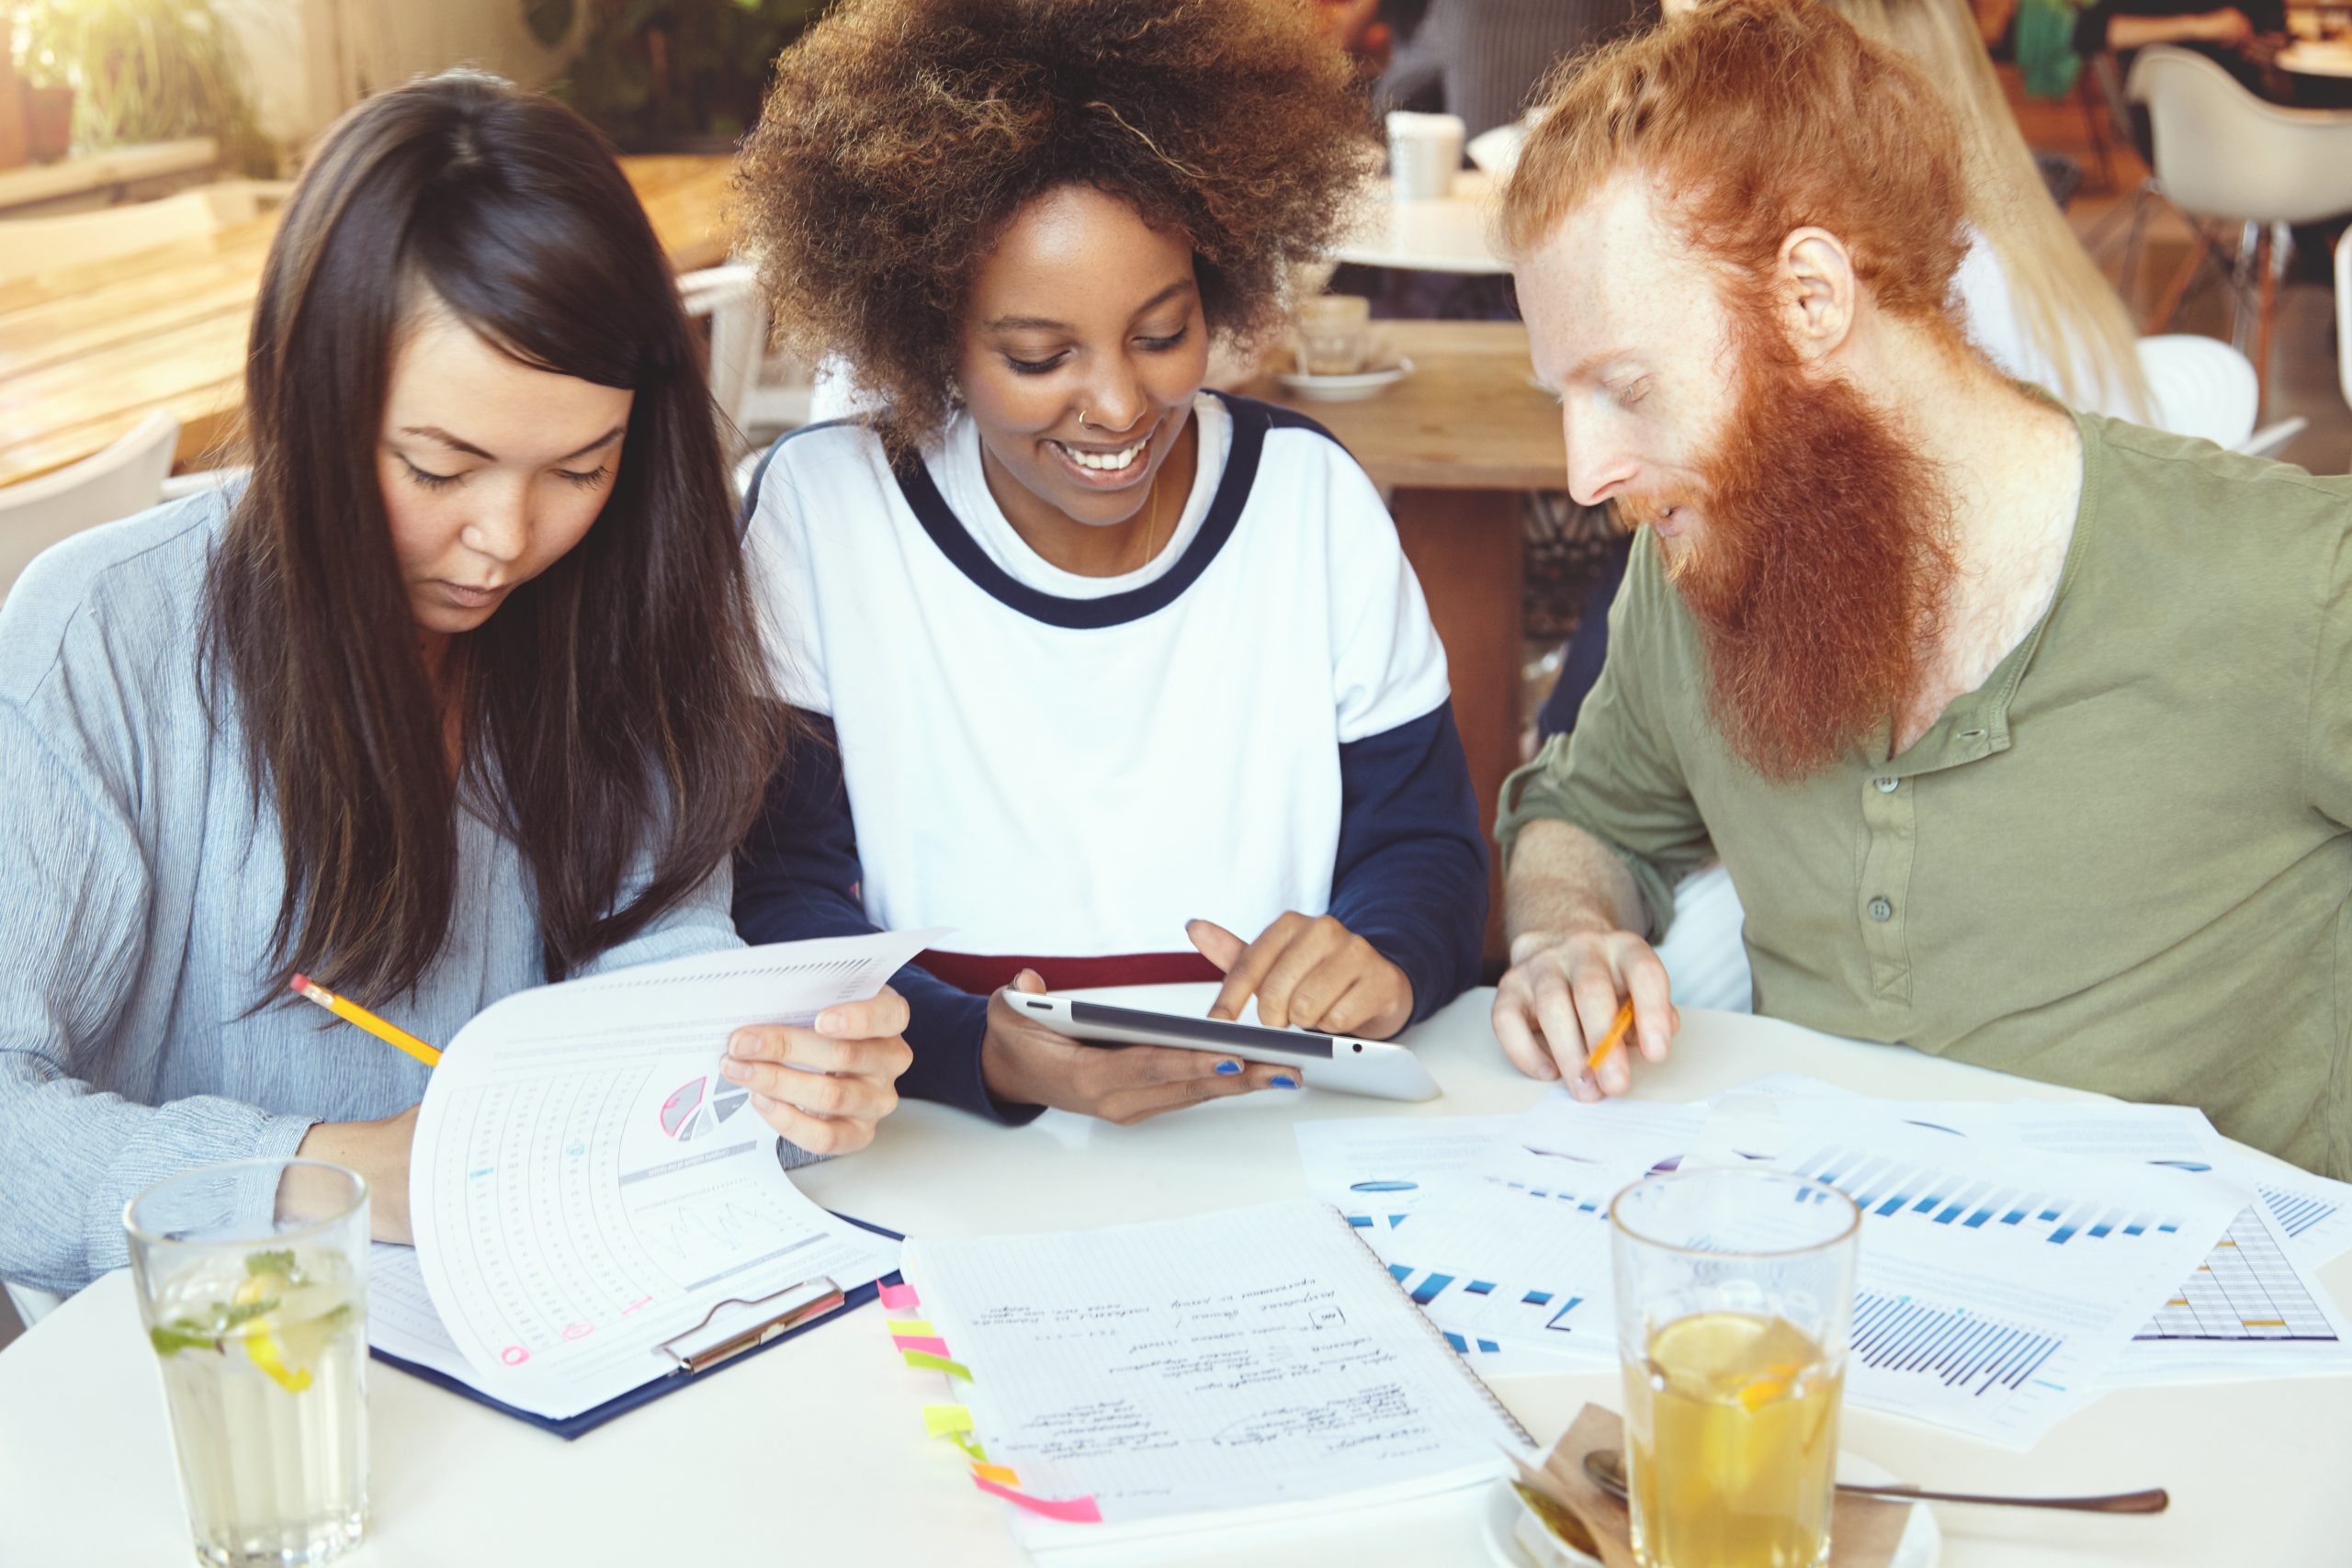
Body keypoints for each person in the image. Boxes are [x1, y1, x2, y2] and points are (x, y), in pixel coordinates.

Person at [0, 73, 913, 1298]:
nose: (506, 538)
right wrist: (324, 1174)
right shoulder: (103, 634)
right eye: (439, 469)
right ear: (312, 397)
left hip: (526, 1331)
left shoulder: (620, 615)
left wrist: (768, 1081)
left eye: (580, 467)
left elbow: (651, 1004)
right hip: (202, 1379)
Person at [1489, 0, 2352, 1179]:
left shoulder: (2289, 585)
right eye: (1564, 401)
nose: (1586, 475)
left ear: (1809, 299)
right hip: (1829, 1314)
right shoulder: (1693, 571)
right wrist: (1563, 935)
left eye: (1625, 389)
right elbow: (1582, 816)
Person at [729, 0, 1489, 1128]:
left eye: (1161, 333)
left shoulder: (1306, 501)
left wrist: (1382, 958)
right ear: (931, 328)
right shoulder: (822, 514)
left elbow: (1425, 847)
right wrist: (980, 1053)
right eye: (1039, 356)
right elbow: (778, 896)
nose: (1121, 406)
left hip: (1272, 1139)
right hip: (944, 1152)